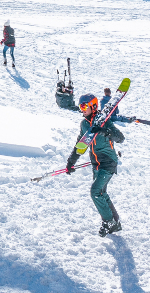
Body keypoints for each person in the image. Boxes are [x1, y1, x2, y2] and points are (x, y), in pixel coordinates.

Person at [59, 88, 140, 237]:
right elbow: (81, 144)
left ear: (93, 106)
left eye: (84, 106)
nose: (82, 109)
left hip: (108, 162)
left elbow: (120, 138)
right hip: (96, 164)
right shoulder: (84, 125)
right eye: (80, 106)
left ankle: (108, 221)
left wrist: (103, 131)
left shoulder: (104, 121)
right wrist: (70, 162)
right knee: (102, 192)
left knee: (95, 192)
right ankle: (115, 222)